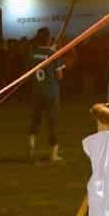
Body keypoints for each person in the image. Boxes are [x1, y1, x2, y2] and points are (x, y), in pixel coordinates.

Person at [28, 27, 65, 162]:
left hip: (37, 91)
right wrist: (54, 53)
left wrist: (51, 52)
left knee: (36, 120)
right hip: (51, 92)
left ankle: (31, 142)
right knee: (52, 122)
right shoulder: (53, 54)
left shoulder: (32, 53)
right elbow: (60, 75)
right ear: (48, 38)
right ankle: (53, 153)